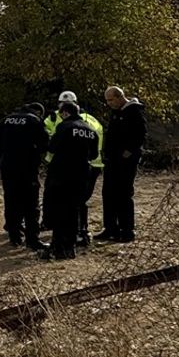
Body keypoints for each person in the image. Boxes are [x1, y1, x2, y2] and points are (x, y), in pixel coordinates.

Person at [44, 91, 105, 246]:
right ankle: (75, 239)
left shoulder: (63, 125)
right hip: (84, 171)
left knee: (60, 206)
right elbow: (93, 154)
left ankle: (58, 244)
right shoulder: (90, 126)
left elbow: (51, 147)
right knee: (77, 205)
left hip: (61, 172)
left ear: (65, 111)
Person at [0, 102, 49, 249]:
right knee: (31, 204)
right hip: (27, 168)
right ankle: (32, 239)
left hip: (8, 168)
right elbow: (44, 144)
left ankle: (14, 236)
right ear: (38, 112)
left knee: (11, 202)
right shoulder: (34, 120)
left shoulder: (6, 120)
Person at [97, 86, 147, 243]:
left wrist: (129, 151)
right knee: (108, 193)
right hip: (112, 160)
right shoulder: (116, 113)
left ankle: (126, 230)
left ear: (120, 97)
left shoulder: (133, 112)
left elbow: (140, 134)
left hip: (125, 161)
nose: (109, 103)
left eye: (111, 100)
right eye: (107, 101)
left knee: (123, 194)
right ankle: (110, 228)